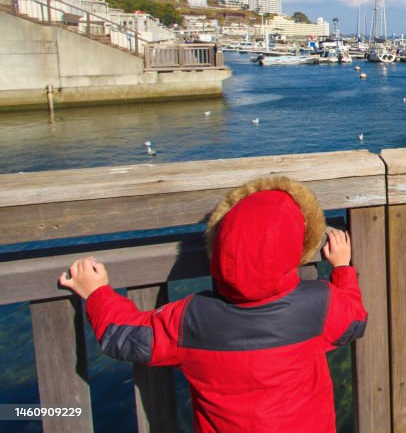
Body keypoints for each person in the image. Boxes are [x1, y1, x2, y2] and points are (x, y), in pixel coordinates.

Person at [58, 176, 367, 433]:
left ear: (219, 247)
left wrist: (97, 292)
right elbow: (355, 320)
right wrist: (342, 269)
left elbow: (124, 337)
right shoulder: (320, 304)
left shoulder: (190, 319)